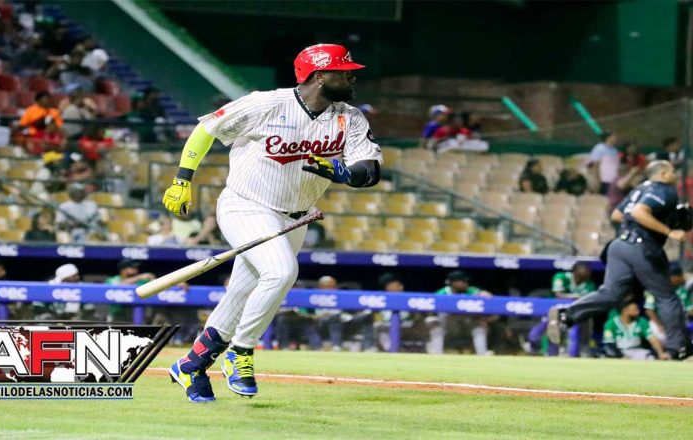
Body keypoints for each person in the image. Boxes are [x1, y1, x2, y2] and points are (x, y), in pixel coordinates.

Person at [165, 43, 382, 402]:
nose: (351, 76)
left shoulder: (351, 118)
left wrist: (344, 172)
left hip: (295, 218)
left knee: (240, 295)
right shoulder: (267, 103)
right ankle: (241, 351)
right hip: (246, 205)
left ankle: (191, 365)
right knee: (281, 272)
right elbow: (207, 129)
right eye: (343, 71)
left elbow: (370, 171)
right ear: (319, 76)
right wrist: (182, 179)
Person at [548, 160, 693, 360]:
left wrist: (641, 225)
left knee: (611, 293)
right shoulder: (664, 190)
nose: (675, 174)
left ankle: (566, 316)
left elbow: (617, 215)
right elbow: (639, 212)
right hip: (642, 247)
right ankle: (680, 349)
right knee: (667, 297)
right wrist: (668, 231)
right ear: (664, 173)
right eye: (672, 171)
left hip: (619, 245)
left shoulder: (639, 189)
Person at [528, 263, 595, 356]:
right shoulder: (561, 277)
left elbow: (588, 300)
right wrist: (576, 297)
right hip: (554, 311)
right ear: (575, 271)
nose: (588, 273)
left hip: (574, 314)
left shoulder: (589, 284)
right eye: (585, 270)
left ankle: (580, 351)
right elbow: (558, 295)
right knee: (537, 335)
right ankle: (536, 351)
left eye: (588, 271)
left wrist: (572, 298)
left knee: (584, 321)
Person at [429, 271, 494, 355]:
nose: (466, 283)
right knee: (432, 321)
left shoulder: (470, 290)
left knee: (479, 324)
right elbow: (430, 308)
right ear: (453, 283)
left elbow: (487, 296)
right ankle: (437, 353)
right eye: (463, 281)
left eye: (466, 281)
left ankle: (482, 353)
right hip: (449, 325)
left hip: (466, 325)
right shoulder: (442, 292)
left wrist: (485, 294)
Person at [644, 262, 693, 344]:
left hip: (680, 322)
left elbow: (690, 310)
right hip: (660, 323)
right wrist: (660, 325)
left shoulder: (681, 291)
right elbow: (649, 310)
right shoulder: (656, 290)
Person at [602, 301, 667, 360]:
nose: (638, 312)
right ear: (625, 310)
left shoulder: (641, 321)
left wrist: (660, 353)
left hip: (635, 350)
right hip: (617, 350)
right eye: (635, 310)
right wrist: (621, 356)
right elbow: (610, 343)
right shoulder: (610, 323)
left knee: (650, 357)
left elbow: (652, 338)